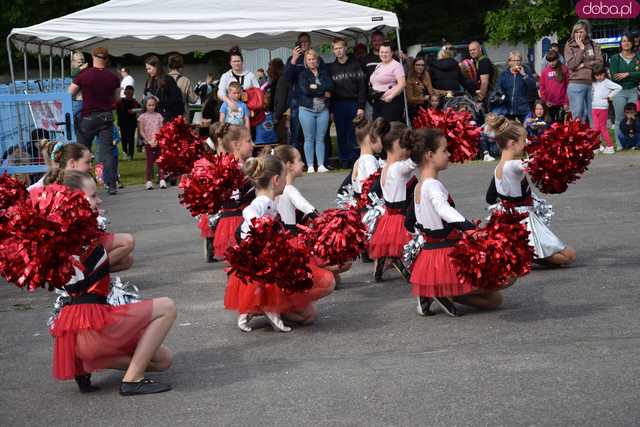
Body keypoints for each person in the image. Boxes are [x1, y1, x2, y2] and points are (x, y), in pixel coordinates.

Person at [49, 170, 175, 396]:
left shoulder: (58, 240)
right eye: (93, 196)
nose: (99, 200)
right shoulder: (86, 239)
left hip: (72, 334)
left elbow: (124, 261)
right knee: (167, 307)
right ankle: (132, 379)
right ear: (74, 201)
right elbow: (127, 245)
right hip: (94, 325)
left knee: (163, 360)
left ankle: (88, 364)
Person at [224, 155, 335, 332]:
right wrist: (259, 226)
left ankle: (260, 308)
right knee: (314, 293)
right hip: (259, 256)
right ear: (276, 180)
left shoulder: (268, 199)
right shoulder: (263, 201)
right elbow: (249, 211)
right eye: (284, 176)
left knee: (306, 314)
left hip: (261, 255)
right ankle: (268, 307)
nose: (286, 180)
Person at [407, 128, 503, 317]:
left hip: (430, 256)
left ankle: (434, 292)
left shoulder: (420, 185)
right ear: (429, 155)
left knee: (494, 296)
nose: (449, 154)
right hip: (445, 257)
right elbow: (443, 209)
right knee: (496, 295)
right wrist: (467, 226)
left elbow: (410, 223)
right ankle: (441, 292)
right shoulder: (432, 185)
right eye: (444, 150)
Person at [487, 116, 576, 266]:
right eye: (524, 140)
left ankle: (522, 252)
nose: (526, 143)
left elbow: (490, 198)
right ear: (512, 143)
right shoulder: (513, 165)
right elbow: (540, 161)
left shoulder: (498, 168)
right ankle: (524, 253)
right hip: (523, 223)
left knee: (564, 256)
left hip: (512, 220)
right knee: (569, 256)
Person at [68, 47, 120, 195]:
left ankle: (80, 184)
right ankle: (111, 185)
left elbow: (70, 92)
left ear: (92, 57)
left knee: (82, 150)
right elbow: (117, 99)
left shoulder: (84, 75)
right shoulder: (113, 77)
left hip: (88, 118)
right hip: (106, 118)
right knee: (107, 153)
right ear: (107, 58)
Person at [368, 122, 414, 282]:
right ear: (396, 145)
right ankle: (403, 266)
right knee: (404, 246)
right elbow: (414, 161)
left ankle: (380, 267)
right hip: (399, 215)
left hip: (388, 216)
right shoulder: (398, 168)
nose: (409, 149)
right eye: (407, 144)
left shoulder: (386, 166)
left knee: (387, 245)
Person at [212, 124, 255, 260]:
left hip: (245, 218)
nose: (253, 144)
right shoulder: (231, 168)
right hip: (236, 221)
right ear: (236, 145)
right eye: (248, 141)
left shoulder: (246, 165)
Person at [329, 37, 367, 168]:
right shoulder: (331, 68)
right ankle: (344, 160)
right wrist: (331, 110)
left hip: (353, 103)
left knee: (354, 133)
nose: (338, 51)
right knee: (341, 133)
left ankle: (355, 161)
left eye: (340, 48)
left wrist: (361, 106)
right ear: (333, 51)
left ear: (345, 48)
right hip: (338, 104)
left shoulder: (355, 65)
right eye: (336, 49)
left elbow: (362, 87)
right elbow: (330, 92)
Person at [284, 33, 326, 148]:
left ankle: (318, 161)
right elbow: (287, 78)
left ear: (310, 43)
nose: (303, 44)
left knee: (316, 132)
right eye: (301, 42)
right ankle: (295, 161)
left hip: (315, 99)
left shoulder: (317, 59)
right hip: (297, 100)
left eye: (305, 42)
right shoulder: (292, 59)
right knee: (296, 131)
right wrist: (294, 59)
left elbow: (324, 77)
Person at [298, 49, 334, 173]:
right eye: (309, 59)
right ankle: (310, 166)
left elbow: (330, 86)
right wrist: (322, 91)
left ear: (317, 60)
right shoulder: (303, 74)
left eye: (314, 59)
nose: (312, 61)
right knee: (309, 138)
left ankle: (321, 165)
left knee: (320, 138)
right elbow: (305, 91)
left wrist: (315, 88)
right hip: (306, 109)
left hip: (323, 110)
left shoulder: (324, 73)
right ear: (306, 62)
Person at [565, 20, 603, 124]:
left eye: (581, 32)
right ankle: (579, 140)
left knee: (594, 116)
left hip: (593, 84)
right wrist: (581, 48)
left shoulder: (593, 44)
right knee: (578, 116)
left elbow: (599, 63)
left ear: (586, 32)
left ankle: (594, 139)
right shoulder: (569, 45)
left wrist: (583, 65)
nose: (578, 34)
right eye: (576, 32)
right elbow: (571, 65)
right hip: (576, 84)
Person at [609, 32, 640, 150]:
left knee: (633, 118)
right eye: (623, 41)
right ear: (620, 43)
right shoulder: (615, 58)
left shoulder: (638, 57)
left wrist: (628, 74)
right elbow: (614, 76)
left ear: (632, 43)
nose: (626, 43)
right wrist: (634, 75)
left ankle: (634, 143)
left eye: (628, 41)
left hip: (633, 90)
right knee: (619, 118)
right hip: (619, 91)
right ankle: (619, 144)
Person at [370, 42, 406, 122]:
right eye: (381, 52)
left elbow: (402, 84)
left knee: (388, 129)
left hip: (390, 102)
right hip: (377, 101)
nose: (383, 54)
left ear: (392, 53)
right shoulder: (379, 65)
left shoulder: (396, 65)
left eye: (386, 52)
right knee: (377, 128)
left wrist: (391, 96)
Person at [495, 51, 536, 123]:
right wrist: (502, 97)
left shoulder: (526, 71)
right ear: (509, 62)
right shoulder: (504, 74)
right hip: (508, 108)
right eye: (513, 61)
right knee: (509, 131)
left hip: (523, 108)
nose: (516, 63)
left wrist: (523, 74)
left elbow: (532, 86)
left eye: (518, 60)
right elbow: (498, 88)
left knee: (528, 128)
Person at [217, 46, 260, 113]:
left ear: (242, 62)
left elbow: (258, 91)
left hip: (249, 111)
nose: (236, 63)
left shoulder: (250, 75)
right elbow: (220, 92)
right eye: (234, 61)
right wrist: (229, 102)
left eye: (238, 61)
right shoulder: (225, 76)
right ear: (230, 63)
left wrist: (248, 95)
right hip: (231, 111)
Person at [143, 55, 184, 122]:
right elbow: (145, 96)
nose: (148, 71)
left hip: (167, 118)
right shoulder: (149, 81)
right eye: (147, 69)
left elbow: (176, 100)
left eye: (149, 68)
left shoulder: (168, 79)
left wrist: (160, 101)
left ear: (156, 67)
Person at [591, 64, 622, 154]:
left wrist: (609, 96)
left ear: (604, 73)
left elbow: (619, 87)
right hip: (593, 107)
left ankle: (610, 146)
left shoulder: (607, 82)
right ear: (593, 75)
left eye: (601, 74)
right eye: (597, 75)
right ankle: (596, 147)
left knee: (602, 128)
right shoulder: (593, 83)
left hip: (603, 108)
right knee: (596, 129)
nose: (599, 77)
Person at [138, 96, 167, 189]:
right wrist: (148, 141)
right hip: (148, 143)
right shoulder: (142, 117)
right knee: (149, 162)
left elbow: (162, 129)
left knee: (160, 162)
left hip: (158, 142)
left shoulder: (159, 116)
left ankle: (162, 179)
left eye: (153, 105)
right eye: (149, 105)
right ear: (145, 106)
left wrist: (158, 140)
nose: (151, 107)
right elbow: (141, 131)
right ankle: (148, 181)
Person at [351, 116, 384, 195]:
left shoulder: (359, 161)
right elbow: (374, 188)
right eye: (380, 137)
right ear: (370, 139)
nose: (382, 142)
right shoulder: (369, 161)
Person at [539, 49, 569, 123]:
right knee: (550, 124)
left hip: (561, 103)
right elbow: (542, 87)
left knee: (560, 125)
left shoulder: (564, 69)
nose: (551, 63)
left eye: (553, 61)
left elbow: (568, 86)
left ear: (557, 59)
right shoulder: (545, 71)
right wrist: (545, 100)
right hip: (549, 104)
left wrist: (566, 102)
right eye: (549, 61)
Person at [168, 54, 199, 123]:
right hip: (182, 116)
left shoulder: (163, 79)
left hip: (168, 116)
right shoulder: (185, 80)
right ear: (181, 66)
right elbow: (193, 100)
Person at [268, 58, 289, 144]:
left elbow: (281, 100)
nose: (268, 69)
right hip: (279, 114)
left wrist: (276, 117)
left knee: (282, 139)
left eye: (270, 67)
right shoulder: (277, 80)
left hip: (281, 116)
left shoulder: (282, 80)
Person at [117, 85, 141, 160]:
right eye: (128, 91)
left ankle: (130, 154)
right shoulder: (120, 102)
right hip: (123, 123)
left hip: (132, 123)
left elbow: (140, 109)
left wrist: (134, 111)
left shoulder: (135, 102)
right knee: (124, 138)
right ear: (125, 92)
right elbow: (118, 111)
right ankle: (125, 152)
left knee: (131, 138)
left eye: (131, 91)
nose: (129, 93)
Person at [468, 41, 495, 107]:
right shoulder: (477, 61)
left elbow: (484, 82)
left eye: (474, 49)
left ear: (480, 49)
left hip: (487, 96)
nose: (472, 52)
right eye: (470, 50)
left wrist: (480, 99)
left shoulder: (483, 62)